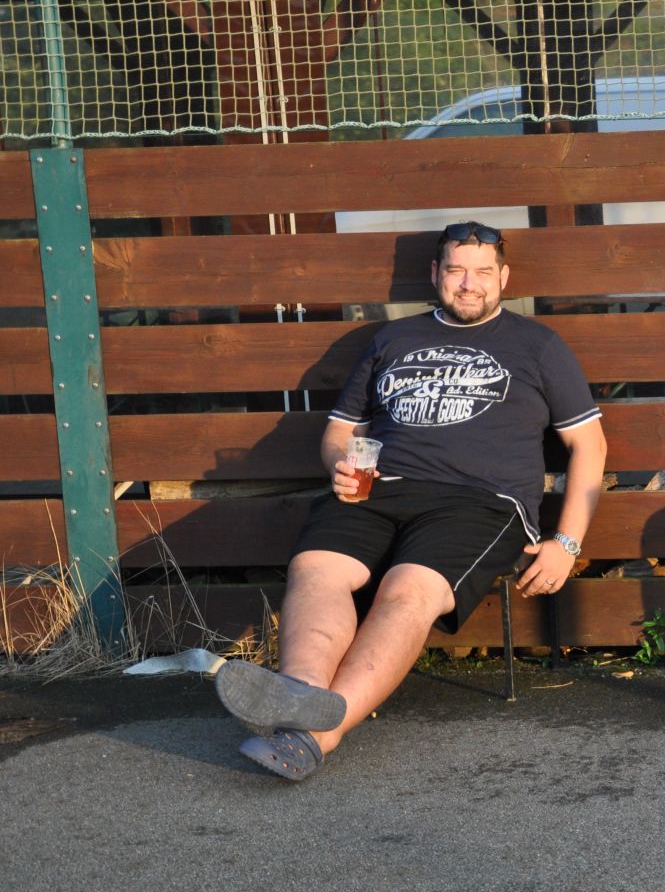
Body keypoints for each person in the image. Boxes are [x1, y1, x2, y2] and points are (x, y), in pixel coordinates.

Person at [213, 221, 606, 780]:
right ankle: (301, 692)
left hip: (481, 502)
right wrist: (339, 465)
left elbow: (589, 444)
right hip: (380, 488)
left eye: (483, 272)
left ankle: (315, 736)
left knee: (408, 589)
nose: (469, 284)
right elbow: (340, 431)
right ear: (436, 274)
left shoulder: (537, 345)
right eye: (456, 270)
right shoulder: (392, 340)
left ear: (503, 278)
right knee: (317, 568)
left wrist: (566, 543)